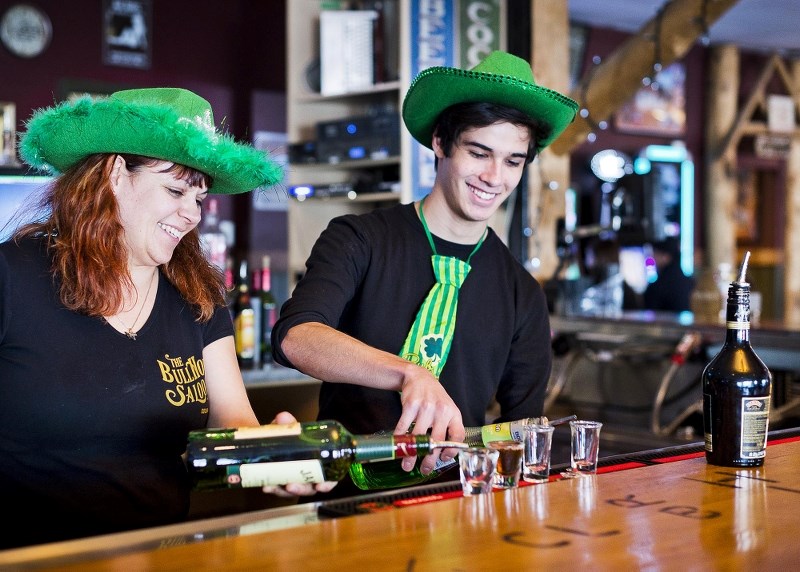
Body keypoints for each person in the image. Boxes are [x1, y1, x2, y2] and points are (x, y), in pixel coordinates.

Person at [0, 88, 335, 549]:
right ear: (116, 174)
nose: (191, 215)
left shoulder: (197, 295)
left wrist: (275, 457)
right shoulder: (13, 276)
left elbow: (234, 422)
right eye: (176, 190)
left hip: (167, 554)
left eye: (199, 199)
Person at [272, 51, 578, 496]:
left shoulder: (521, 291)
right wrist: (410, 374)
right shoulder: (359, 238)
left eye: (513, 161)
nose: (495, 177)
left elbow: (523, 433)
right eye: (479, 152)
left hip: (459, 511)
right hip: (346, 504)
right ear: (441, 142)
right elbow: (295, 337)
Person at [643, 237, 695, 312]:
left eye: (655, 252)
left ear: (665, 257)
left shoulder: (657, 288)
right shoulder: (691, 283)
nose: (652, 257)